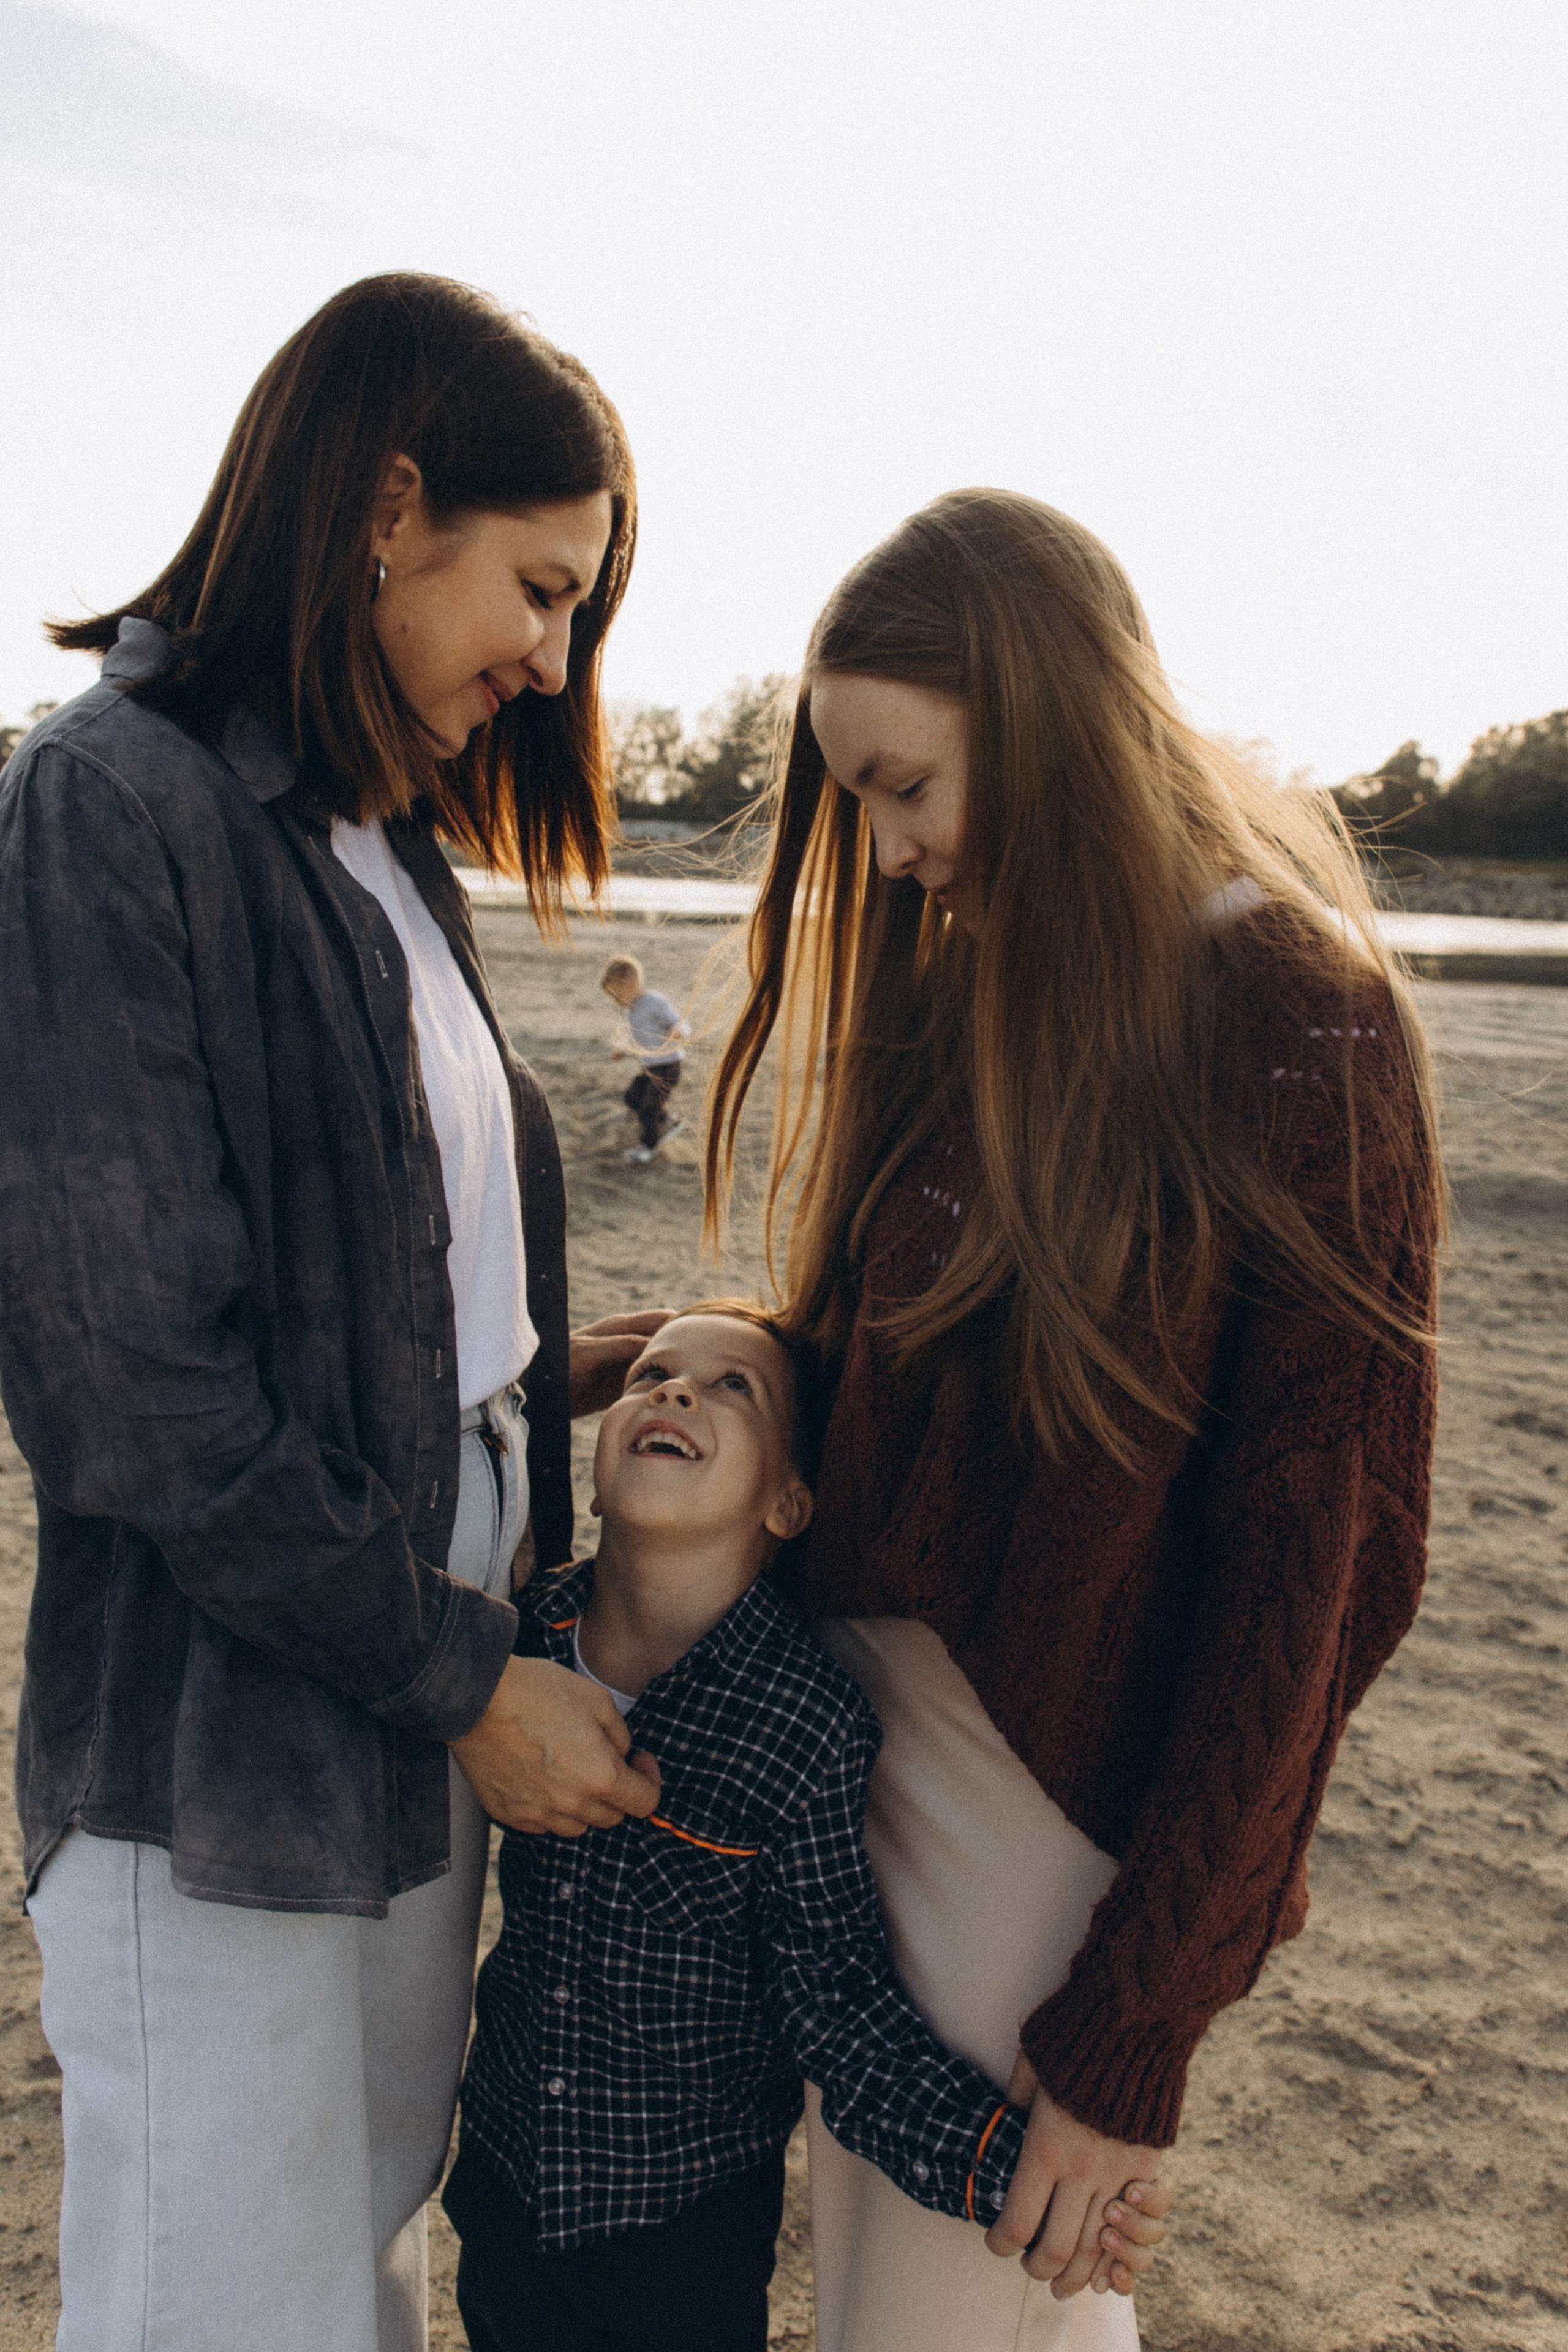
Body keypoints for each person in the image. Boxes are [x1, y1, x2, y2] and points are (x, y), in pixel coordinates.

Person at [0, 274, 670, 2352]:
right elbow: (140, 1397)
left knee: (356, 2252)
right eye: (541, 590)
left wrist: (576, 1379)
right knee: (227, 2298)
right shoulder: (110, 804)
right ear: (389, 502)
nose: (553, 660)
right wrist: (467, 1680)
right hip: (231, 1729)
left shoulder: (380, 837)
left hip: (398, 1660)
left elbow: (356, 1305)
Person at [704, 490, 1442, 2352]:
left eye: (904, 787)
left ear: (1043, 723)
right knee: (929, 2311)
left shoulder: (1296, 1012)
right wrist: (675, 1359)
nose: (879, 851)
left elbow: (1319, 1572)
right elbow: (922, 1381)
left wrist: (1132, 2027)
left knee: (970, 2321)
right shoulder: (1006, 977)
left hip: (1030, 1824)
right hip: (865, 1774)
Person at [440, 1306, 1171, 2352]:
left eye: (733, 1387)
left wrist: (1012, 2171)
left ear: (792, 1503)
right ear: (593, 1473)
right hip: (504, 2186)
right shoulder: (518, 1651)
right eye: (653, 1373)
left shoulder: (805, 1723)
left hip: (676, 2240)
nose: (676, 1392)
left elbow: (835, 2002)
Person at [601, 949, 690, 1158]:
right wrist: (621, 1050)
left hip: (669, 1066)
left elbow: (681, 1024)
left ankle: (648, 1147)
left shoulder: (655, 1002)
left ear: (632, 986)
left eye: (618, 994)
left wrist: (680, 1032)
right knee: (632, 1098)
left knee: (649, 1108)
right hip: (649, 1067)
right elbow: (637, 1036)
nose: (617, 1000)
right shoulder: (632, 1008)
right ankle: (666, 1121)